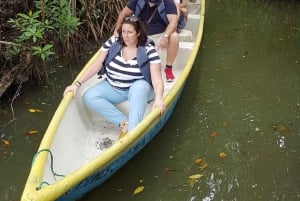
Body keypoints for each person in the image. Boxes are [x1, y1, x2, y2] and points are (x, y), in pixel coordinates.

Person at [64, 15, 166, 139]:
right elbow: (97, 63)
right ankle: (124, 122)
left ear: (138, 33)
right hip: (113, 87)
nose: (125, 36)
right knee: (88, 96)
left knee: (139, 87)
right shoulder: (113, 42)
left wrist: (159, 99)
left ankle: (133, 133)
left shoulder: (148, 49)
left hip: (139, 89)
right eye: (123, 32)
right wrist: (76, 84)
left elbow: (157, 79)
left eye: (130, 32)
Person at [114, 0, 179, 82]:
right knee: (126, 34)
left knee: (174, 36)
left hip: (160, 34)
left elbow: (173, 21)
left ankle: (168, 68)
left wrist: (166, 36)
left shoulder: (167, 2)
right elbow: (124, 13)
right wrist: (117, 30)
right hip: (140, 34)